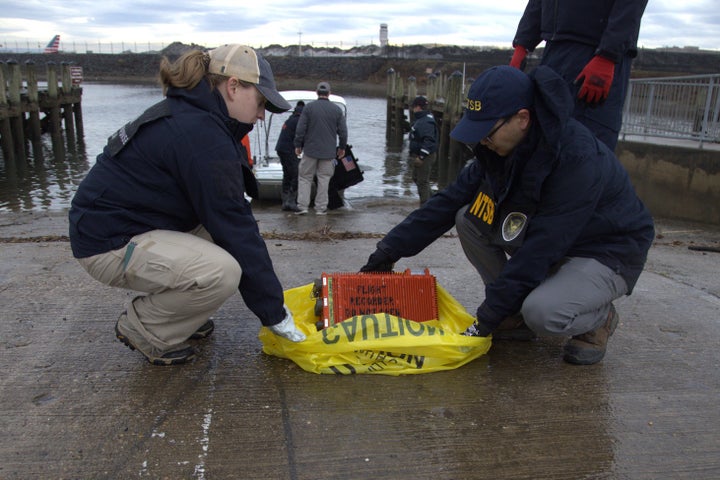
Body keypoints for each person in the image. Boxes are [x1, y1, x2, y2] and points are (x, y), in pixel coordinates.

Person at [360, 65, 655, 365]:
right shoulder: (498, 151)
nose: (482, 142)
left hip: (606, 250)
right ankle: (513, 314)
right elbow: (445, 203)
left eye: (487, 132)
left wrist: (486, 318)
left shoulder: (576, 159)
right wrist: (387, 252)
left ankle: (599, 318)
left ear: (522, 118)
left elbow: (542, 248)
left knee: (543, 313)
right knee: (467, 217)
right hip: (556, 241)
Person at [68, 44, 307, 366]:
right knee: (221, 272)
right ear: (233, 86)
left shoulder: (193, 116)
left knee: (223, 246)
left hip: (133, 223)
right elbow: (236, 227)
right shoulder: (200, 134)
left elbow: (229, 221)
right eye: (262, 101)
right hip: (107, 242)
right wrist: (274, 314)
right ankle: (146, 327)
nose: (263, 114)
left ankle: (179, 316)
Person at [508, 0, 648, 151]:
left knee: (586, 149)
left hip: (594, 54)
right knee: (544, 142)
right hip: (554, 50)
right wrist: (522, 43)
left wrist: (607, 55)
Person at [294, 81, 348, 215]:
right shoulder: (337, 110)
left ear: (317, 92)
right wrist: (342, 147)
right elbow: (343, 131)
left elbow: (300, 128)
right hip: (328, 153)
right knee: (324, 179)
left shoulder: (308, 108)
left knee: (305, 177)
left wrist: (298, 144)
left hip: (310, 150)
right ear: (329, 93)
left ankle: (303, 207)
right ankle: (321, 208)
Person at [408, 95, 439, 205]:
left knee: (422, 182)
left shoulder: (426, 121)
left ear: (418, 107)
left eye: (414, 107)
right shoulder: (422, 119)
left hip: (425, 156)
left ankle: (425, 206)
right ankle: (434, 200)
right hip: (421, 154)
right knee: (416, 177)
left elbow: (429, 140)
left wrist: (422, 156)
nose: (412, 109)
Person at [275, 100, 305, 211]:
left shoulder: (290, 119)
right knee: (297, 174)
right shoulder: (299, 121)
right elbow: (301, 137)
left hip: (280, 149)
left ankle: (285, 201)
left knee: (287, 174)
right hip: (288, 150)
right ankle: (291, 201)